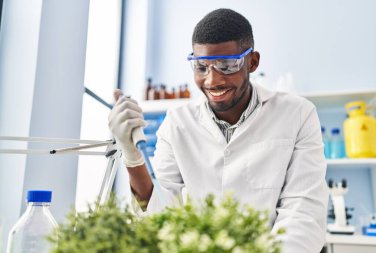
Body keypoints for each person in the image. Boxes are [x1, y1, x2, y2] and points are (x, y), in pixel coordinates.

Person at [108, 8, 328, 253]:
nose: (212, 80)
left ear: (252, 62)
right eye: (201, 67)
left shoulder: (297, 114)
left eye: (226, 65)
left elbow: (303, 214)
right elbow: (159, 214)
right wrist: (132, 157)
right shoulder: (177, 123)